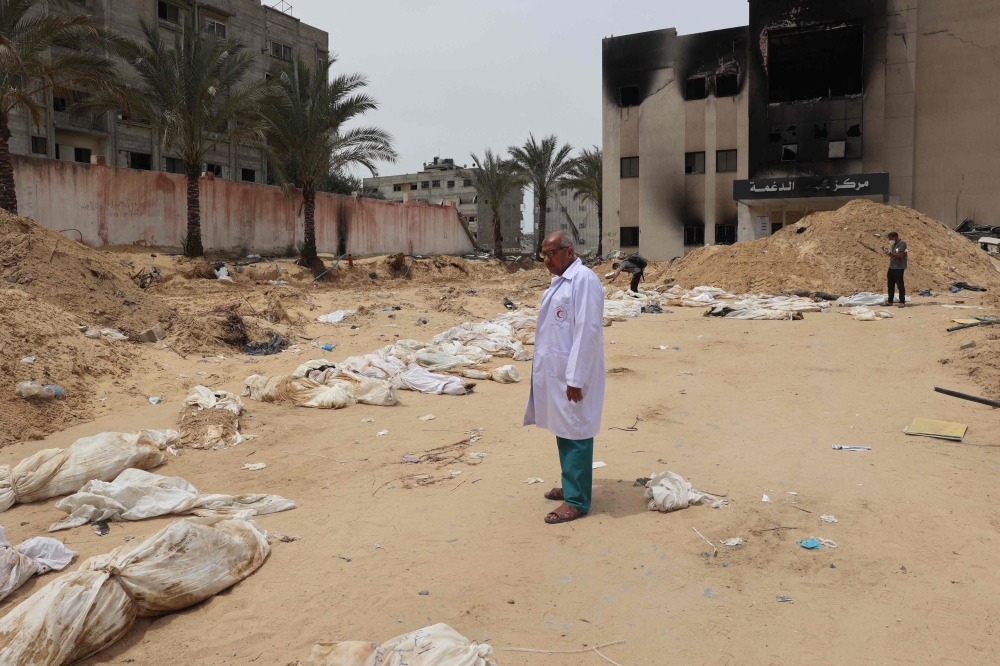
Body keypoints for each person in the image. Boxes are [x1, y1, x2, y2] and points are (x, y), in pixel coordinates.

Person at [524, 231, 606, 524]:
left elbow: (587, 331)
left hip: (573, 375)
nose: (546, 260)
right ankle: (572, 484)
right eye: (543, 255)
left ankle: (577, 501)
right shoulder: (561, 282)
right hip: (558, 372)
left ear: (569, 252)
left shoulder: (584, 281)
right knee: (564, 428)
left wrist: (576, 378)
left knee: (577, 432)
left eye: (551, 254)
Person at [883, 231, 908, 307]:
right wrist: (888, 253)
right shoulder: (894, 244)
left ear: (895, 237)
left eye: (891, 239)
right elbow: (894, 255)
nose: (890, 240)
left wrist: (891, 253)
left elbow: (900, 255)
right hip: (892, 267)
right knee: (890, 285)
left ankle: (902, 301)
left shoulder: (902, 243)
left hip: (899, 268)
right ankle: (890, 301)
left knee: (900, 285)